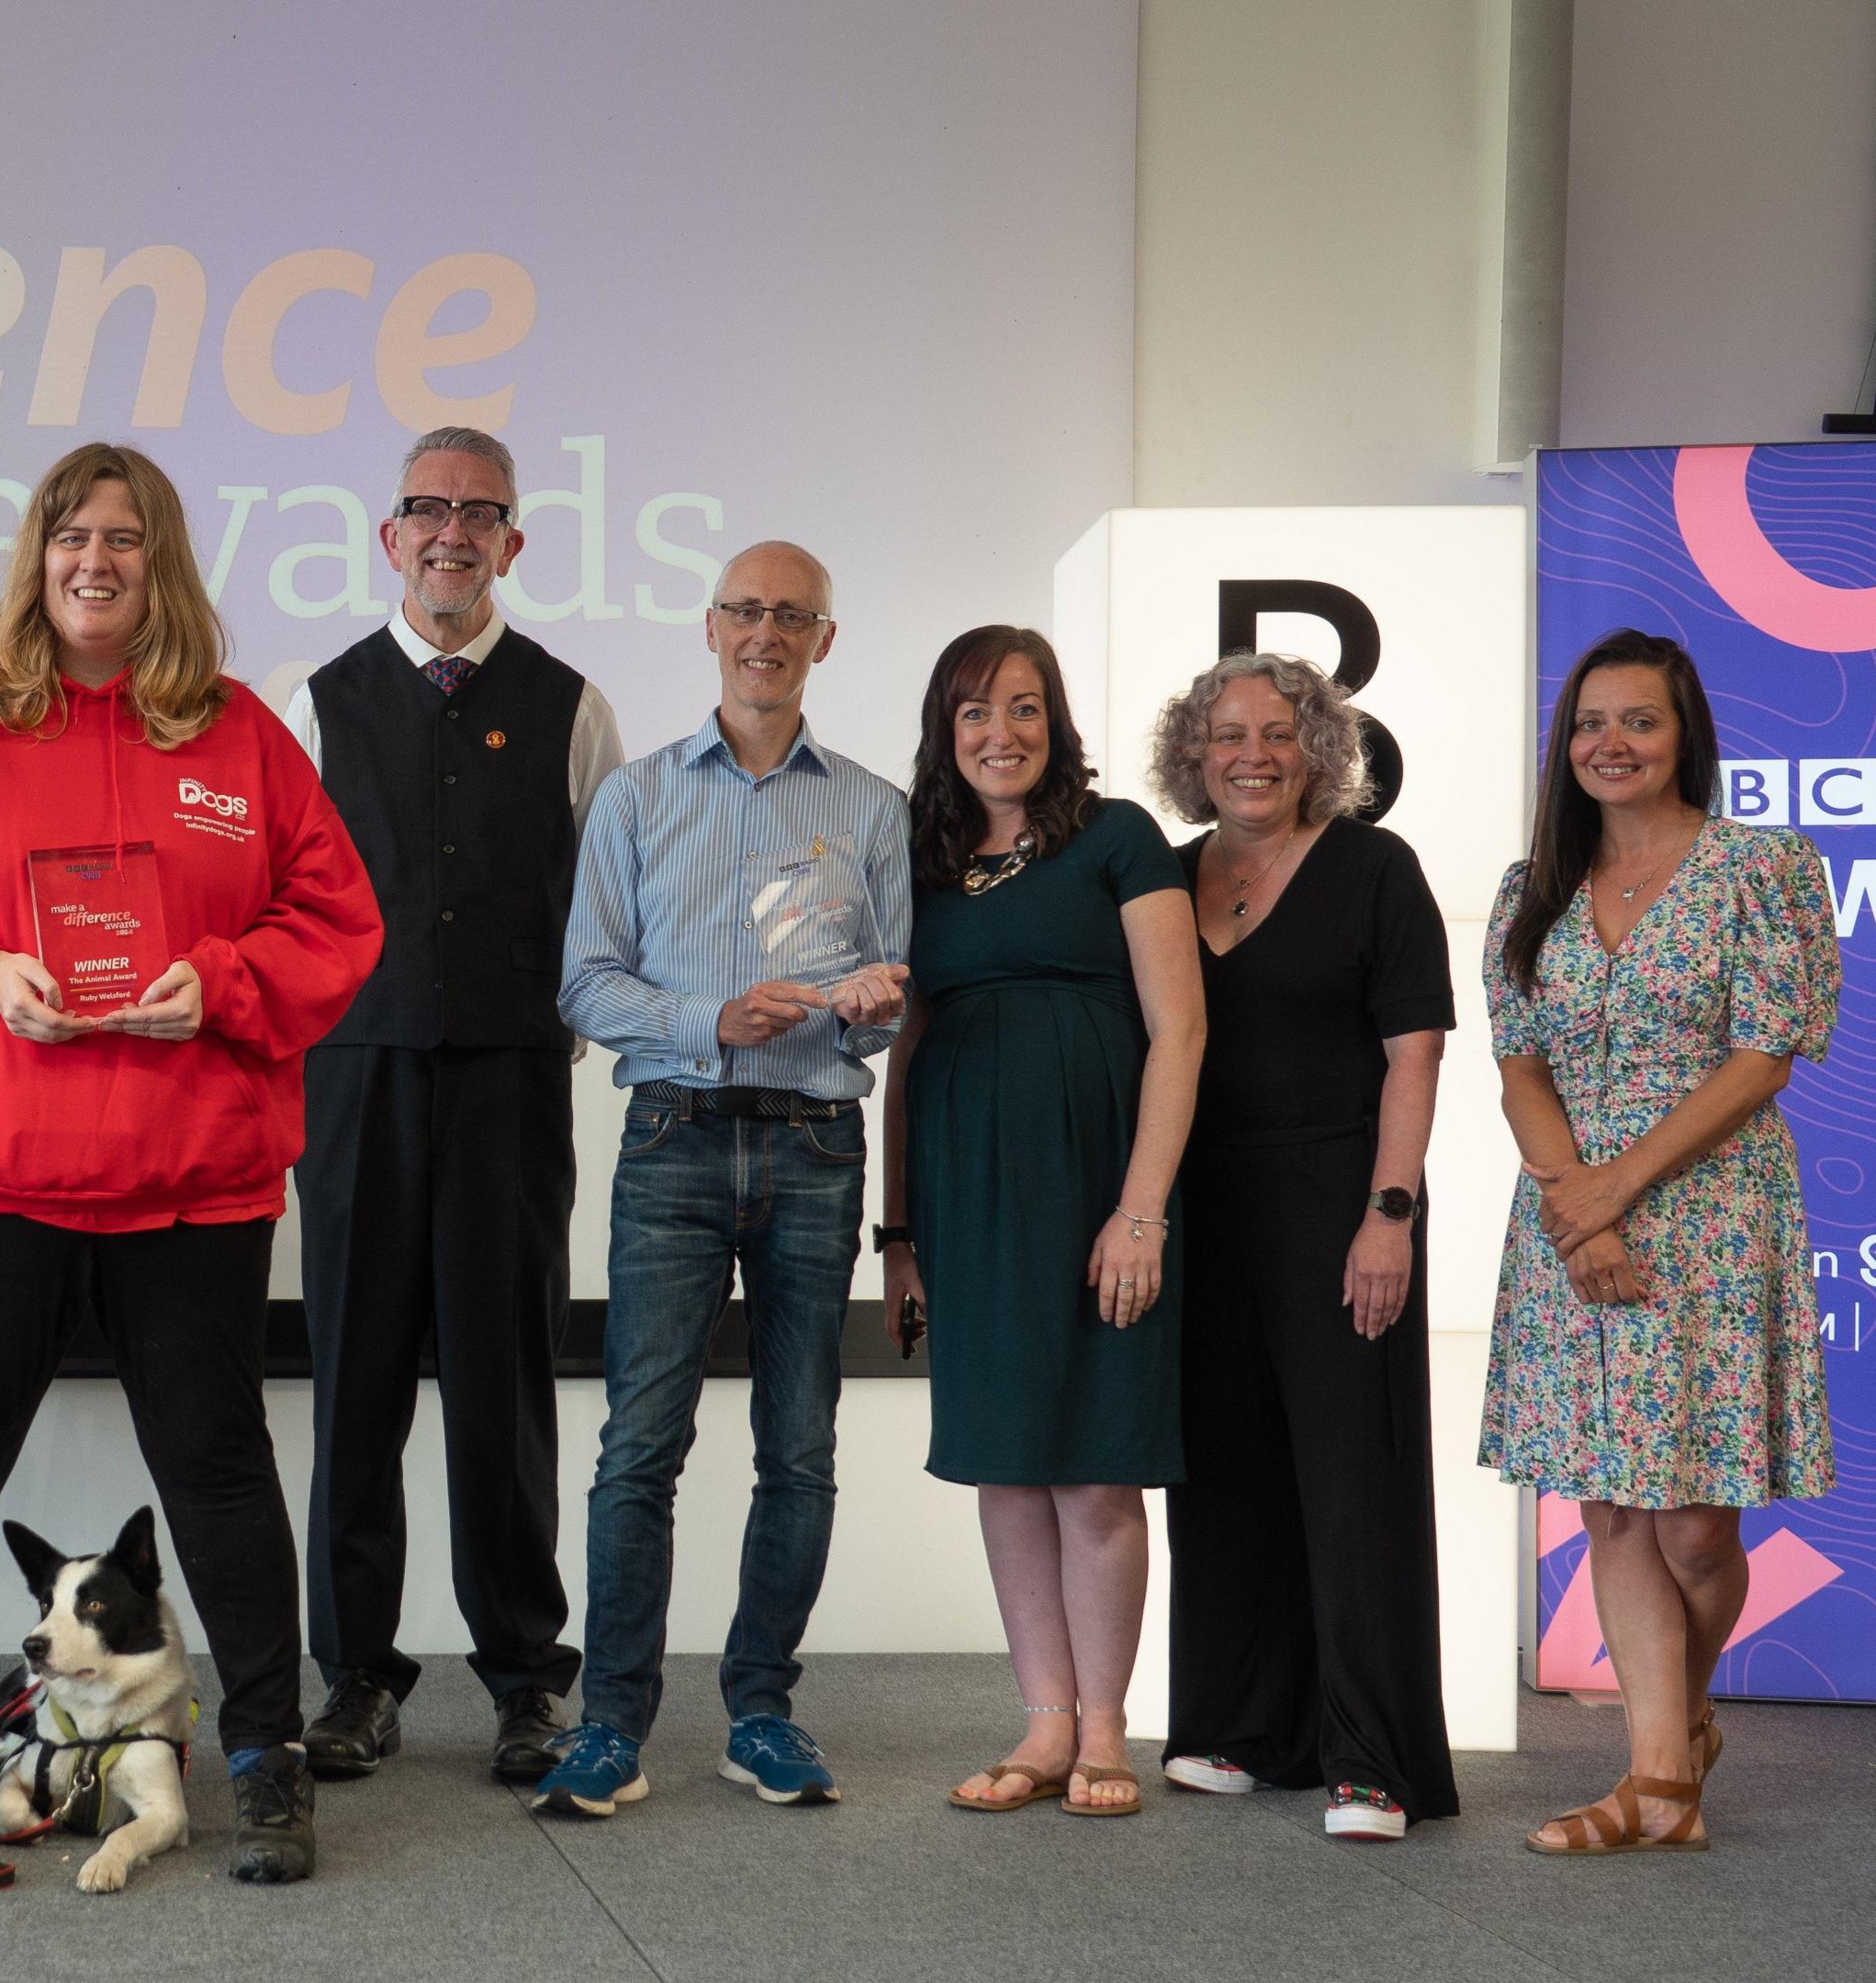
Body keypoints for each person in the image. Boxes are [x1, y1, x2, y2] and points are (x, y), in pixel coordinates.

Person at [0, 442, 382, 1891]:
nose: (96, 563)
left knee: (220, 1473)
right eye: (73, 537)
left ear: (162, 561)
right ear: (36, 555)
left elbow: (336, 923)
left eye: (126, 538)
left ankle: (264, 1758)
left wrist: (228, 982)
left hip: (190, 1177)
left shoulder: (242, 737)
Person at [532, 542, 911, 1819]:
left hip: (813, 1149)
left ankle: (762, 1712)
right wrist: (709, 1019)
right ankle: (610, 1727)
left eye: (792, 615)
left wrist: (869, 1006)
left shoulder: (870, 809)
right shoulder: (636, 800)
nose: (766, 632)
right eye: (746, 611)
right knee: (640, 1445)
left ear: (825, 640)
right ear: (709, 628)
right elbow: (586, 982)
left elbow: (892, 997)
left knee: (799, 1450)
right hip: (675, 1137)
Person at [277, 427, 622, 1787]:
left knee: (507, 1388)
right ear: (389, 534)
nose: (451, 533)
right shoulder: (312, 703)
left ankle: (527, 1681)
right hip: (352, 1080)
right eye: (427, 508)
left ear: (514, 544)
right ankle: (356, 1676)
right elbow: (275, 901)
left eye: (481, 513)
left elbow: (605, 907)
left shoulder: (574, 705)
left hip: (508, 1088)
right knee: (354, 1383)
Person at [1483, 630, 1837, 1856]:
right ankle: (1659, 1784)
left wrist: (1618, 1187)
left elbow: (1769, 1049)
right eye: (1590, 724)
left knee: (1692, 1520)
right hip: (1571, 1214)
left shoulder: (1761, 866)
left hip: (1713, 1214)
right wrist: (1573, 1200)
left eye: (1638, 721)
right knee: (1614, 1509)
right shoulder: (1535, 885)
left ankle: (1677, 1725)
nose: (1611, 745)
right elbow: (1518, 1063)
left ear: (1684, 732)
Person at [880, 627, 1204, 1819]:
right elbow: (905, 1056)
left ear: (1055, 722)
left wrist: (1141, 1212)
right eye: (973, 713)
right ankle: (1044, 1721)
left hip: (1100, 1191)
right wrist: (897, 1237)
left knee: (1098, 1470)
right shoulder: (924, 862)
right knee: (1007, 1469)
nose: (999, 734)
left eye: (1023, 708)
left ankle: (1108, 1728)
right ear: (943, 731)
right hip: (967, 1195)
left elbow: (1181, 1030)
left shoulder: (1118, 840)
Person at [1147, 654, 1459, 1842]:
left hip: (1343, 1212)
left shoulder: (1377, 870)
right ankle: (1238, 1729)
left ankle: (1373, 1761)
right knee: (1222, 1477)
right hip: (1207, 1214)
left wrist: (1393, 1211)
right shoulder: (1171, 882)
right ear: (1196, 753)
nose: (1253, 755)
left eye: (1279, 734)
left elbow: (1415, 1056)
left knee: (1351, 1485)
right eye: (1228, 736)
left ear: (1319, 747)